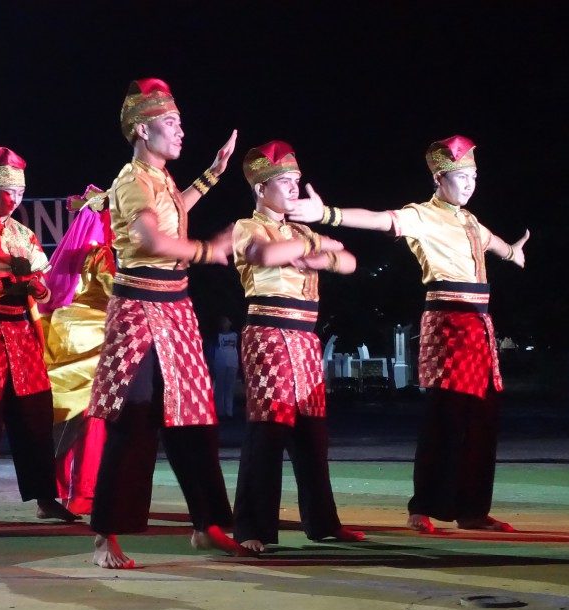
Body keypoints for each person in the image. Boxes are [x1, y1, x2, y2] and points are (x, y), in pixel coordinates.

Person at [290, 134, 529, 533]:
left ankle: (472, 509)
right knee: (445, 417)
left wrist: (513, 252)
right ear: (439, 177)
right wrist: (327, 214)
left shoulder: (469, 219)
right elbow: (379, 218)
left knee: (482, 420)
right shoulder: (422, 215)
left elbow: (494, 244)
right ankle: (423, 506)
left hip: (479, 326)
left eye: (473, 175)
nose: (470, 183)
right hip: (449, 323)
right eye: (460, 176)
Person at [88, 78, 246, 569]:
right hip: (139, 310)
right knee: (134, 423)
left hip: (175, 309)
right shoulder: (131, 180)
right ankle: (106, 537)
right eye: (171, 123)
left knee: (193, 419)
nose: (181, 131)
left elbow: (173, 214)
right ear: (142, 128)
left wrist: (211, 177)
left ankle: (207, 524)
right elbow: (153, 239)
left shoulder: (160, 180)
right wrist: (208, 250)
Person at [230, 141, 365, 552]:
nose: (294, 189)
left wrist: (319, 253)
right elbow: (267, 254)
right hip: (268, 331)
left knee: (312, 433)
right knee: (269, 428)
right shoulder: (247, 227)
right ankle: (252, 526)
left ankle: (322, 522)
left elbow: (349, 259)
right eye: (285, 182)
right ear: (260, 189)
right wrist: (314, 248)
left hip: (305, 335)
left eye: (296, 182)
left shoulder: (303, 231)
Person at [0, 146, 77, 531]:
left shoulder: (25, 234)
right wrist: (8, 281)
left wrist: (37, 290)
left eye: (21, 193)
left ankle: (44, 498)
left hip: (22, 334)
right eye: (9, 193)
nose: (16, 199)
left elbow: (45, 286)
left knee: (35, 417)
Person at [39, 186, 114, 516]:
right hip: (93, 337)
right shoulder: (105, 255)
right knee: (91, 417)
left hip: (63, 331)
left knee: (62, 415)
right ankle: (83, 492)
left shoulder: (76, 253)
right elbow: (119, 295)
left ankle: (49, 491)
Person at [211, 316, 239, 418]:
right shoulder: (217, 336)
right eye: (223, 322)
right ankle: (220, 412)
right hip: (220, 364)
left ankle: (229, 411)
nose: (225, 324)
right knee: (220, 388)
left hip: (232, 364)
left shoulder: (235, 335)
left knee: (230, 388)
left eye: (227, 322)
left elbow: (237, 349)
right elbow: (213, 350)